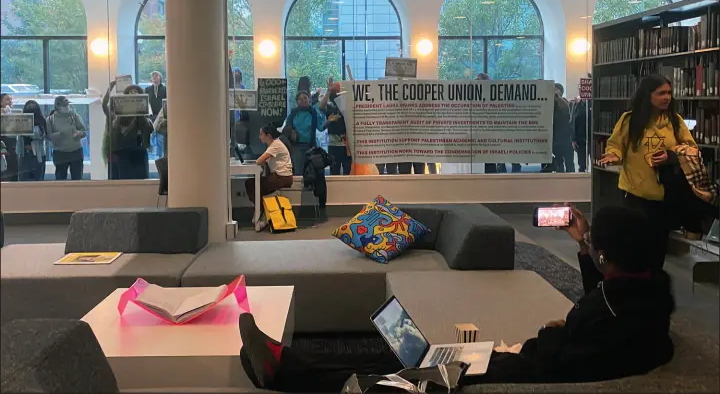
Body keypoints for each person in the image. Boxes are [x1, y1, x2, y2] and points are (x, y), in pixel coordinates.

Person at [238, 204, 675, 391]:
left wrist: (553, 331)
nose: (593, 249)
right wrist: (585, 247)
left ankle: (284, 372)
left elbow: (568, 363)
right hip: (521, 356)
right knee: (404, 357)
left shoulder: (619, 317)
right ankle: (287, 360)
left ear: (611, 258)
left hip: (518, 371)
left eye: (598, 246)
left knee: (401, 375)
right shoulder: (640, 296)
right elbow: (600, 299)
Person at [599, 73, 696, 268]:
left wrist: (671, 156)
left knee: (658, 247)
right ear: (647, 95)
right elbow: (616, 144)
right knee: (635, 245)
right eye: (661, 93)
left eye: (669, 93)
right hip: (635, 194)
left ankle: (653, 286)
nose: (667, 97)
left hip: (664, 196)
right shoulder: (630, 120)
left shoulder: (675, 121)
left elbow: (690, 148)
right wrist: (613, 155)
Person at [245, 124, 294, 210]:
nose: (259, 137)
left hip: (282, 178)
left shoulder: (275, 145)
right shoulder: (274, 144)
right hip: (279, 177)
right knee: (254, 187)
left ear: (268, 136)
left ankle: (262, 211)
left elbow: (259, 161)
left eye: (261, 134)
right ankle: (262, 211)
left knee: (251, 185)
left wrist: (257, 162)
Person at [110, 84, 154, 179]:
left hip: (139, 148)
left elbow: (149, 127)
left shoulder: (145, 105)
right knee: (124, 177)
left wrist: (141, 113)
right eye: (131, 91)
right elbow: (115, 127)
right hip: (124, 149)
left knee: (141, 177)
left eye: (135, 91)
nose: (133, 93)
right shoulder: (121, 108)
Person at [283, 86, 329, 175]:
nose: (303, 100)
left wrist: (329, 121)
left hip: (311, 146)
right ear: (297, 102)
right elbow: (286, 129)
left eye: (305, 98)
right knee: (298, 171)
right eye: (300, 99)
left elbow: (321, 127)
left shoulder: (314, 112)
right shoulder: (293, 114)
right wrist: (291, 132)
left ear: (309, 99)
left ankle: (311, 189)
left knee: (312, 172)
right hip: (296, 146)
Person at [46, 96, 86, 180]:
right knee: (60, 180)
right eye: (64, 105)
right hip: (60, 154)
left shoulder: (75, 116)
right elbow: (48, 136)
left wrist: (79, 133)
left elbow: (84, 131)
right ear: (58, 107)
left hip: (76, 152)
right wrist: (57, 135)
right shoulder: (50, 120)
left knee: (77, 180)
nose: (67, 107)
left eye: (67, 105)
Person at [16, 100, 47, 181]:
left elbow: (40, 135)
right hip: (24, 155)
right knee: (23, 180)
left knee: (38, 180)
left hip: (38, 155)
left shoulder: (41, 121)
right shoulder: (21, 121)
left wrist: (27, 128)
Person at [324, 88, 351, 175]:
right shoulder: (329, 107)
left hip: (346, 146)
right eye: (334, 92)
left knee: (347, 171)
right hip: (334, 145)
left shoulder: (348, 108)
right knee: (334, 171)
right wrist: (328, 91)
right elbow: (321, 106)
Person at [552, 83, 575, 173]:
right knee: (558, 164)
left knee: (569, 164)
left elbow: (570, 120)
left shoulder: (566, 104)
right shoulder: (552, 105)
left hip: (566, 140)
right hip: (556, 140)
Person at [145, 71, 167, 158]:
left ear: (160, 77)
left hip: (161, 117)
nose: (154, 78)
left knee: (160, 137)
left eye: (156, 76)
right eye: (153, 76)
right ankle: (151, 155)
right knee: (150, 136)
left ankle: (160, 157)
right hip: (150, 116)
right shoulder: (147, 89)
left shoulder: (165, 89)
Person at [0, 93, 19, 181]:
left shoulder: (15, 113)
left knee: (14, 172)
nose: (10, 101)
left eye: (11, 99)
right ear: (1, 102)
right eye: (7, 99)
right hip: (3, 146)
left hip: (13, 147)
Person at [571, 96, 591, 173]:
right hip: (580, 139)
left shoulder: (593, 104)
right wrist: (573, 139)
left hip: (593, 139)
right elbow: (573, 122)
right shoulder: (576, 105)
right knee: (582, 165)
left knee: (595, 164)